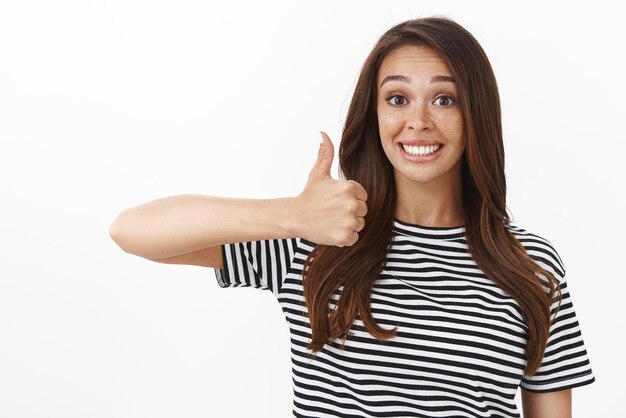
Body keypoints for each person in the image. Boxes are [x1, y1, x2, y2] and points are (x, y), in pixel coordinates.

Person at [109, 16, 595, 417]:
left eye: (445, 99)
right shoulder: (315, 237)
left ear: (477, 113)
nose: (418, 120)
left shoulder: (530, 263)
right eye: (397, 98)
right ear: (375, 113)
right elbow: (131, 231)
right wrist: (292, 216)